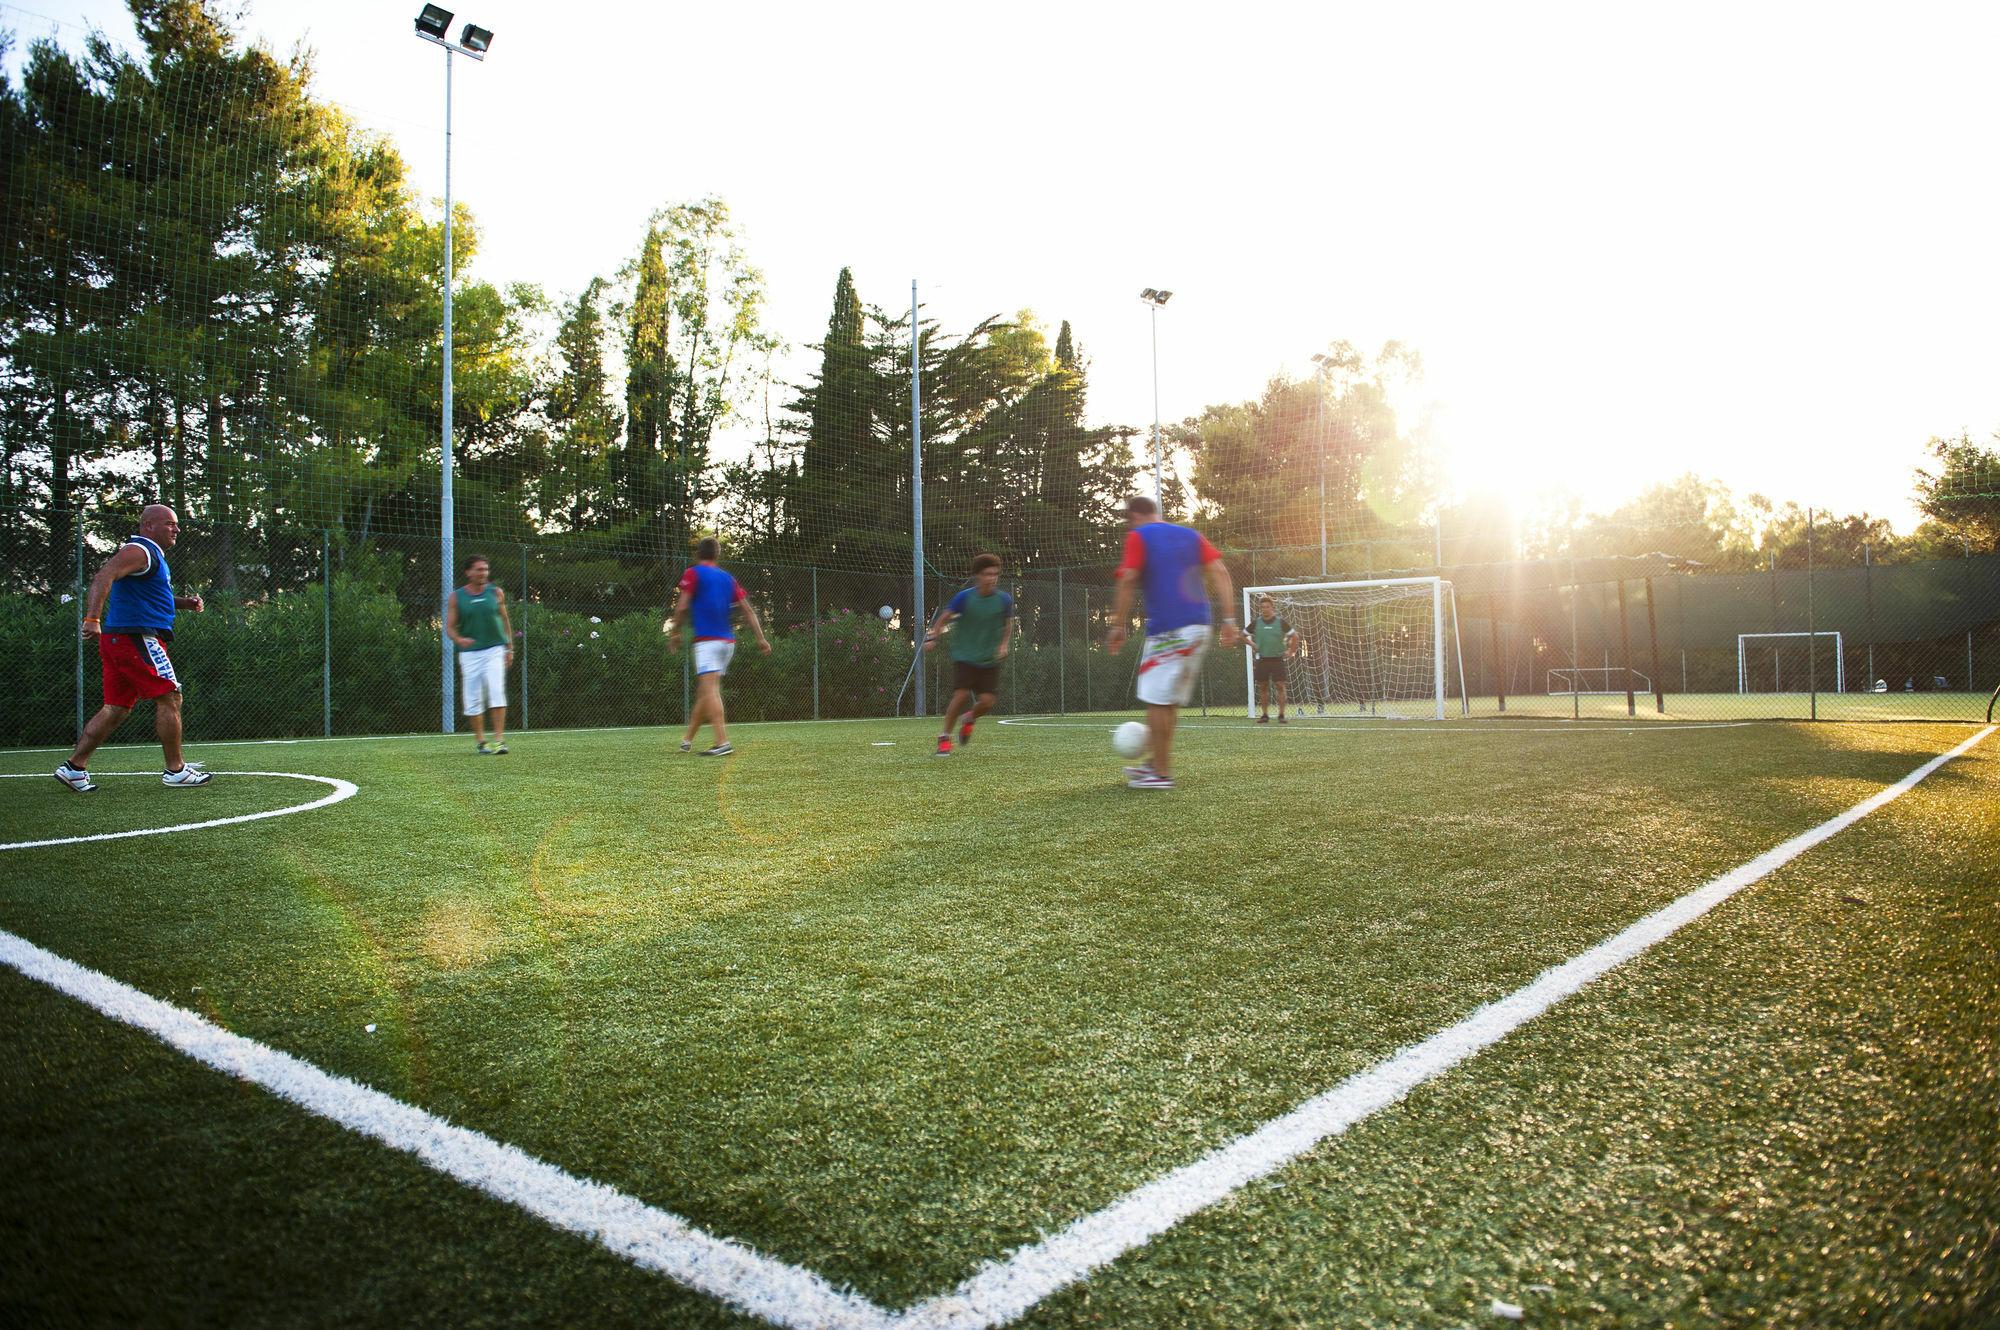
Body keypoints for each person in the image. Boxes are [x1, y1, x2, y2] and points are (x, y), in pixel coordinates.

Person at [54, 504, 211, 792]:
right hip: (135, 637)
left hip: (119, 640)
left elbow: (150, 594)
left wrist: (184, 603)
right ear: (148, 526)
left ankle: (74, 768)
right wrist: (91, 619)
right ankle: (176, 770)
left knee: (116, 708)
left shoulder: (150, 557)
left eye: (176, 524)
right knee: (170, 697)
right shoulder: (140, 551)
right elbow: (104, 576)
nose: (176, 529)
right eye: (169, 524)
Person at [1105, 495, 1240, 789]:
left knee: (1155, 699)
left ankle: (1162, 774)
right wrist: (1228, 620)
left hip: (1169, 630)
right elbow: (1220, 571)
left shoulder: (1139, 535)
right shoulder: (1191, 535)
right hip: (1199, 627)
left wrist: (1118, 623)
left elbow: (1128, 578)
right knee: (1169, 703)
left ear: (1134, 517)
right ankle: (1156, 765)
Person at [664, 536, 770, 755]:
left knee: (710, 690)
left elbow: (682, 605)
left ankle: (722, 742)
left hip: (708, 642)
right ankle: (687, 739)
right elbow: (748, 611)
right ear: (717, 555)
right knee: (706, 692)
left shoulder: (693, 573)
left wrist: (675, 632)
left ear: (697, 554)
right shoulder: (728, 578)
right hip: (727, 643)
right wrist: (761, 638)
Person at [924, 553, 1016, 756]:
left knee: (987, 702)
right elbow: (944, 618)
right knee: (962, 695)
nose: (991, 578)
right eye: (986, 574)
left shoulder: (1003, 600)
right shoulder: (964, 598)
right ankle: (944, 738)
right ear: (977, 576)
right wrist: (933, 637)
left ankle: (969, 718)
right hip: (964, 655)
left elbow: (1008, 624)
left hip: (989, 658)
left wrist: (1003, 645)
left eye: (995, 574)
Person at [446, 554, 515, 754]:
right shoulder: (456, 597)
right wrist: (459, 640)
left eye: (485, 569)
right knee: (473, 697)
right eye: (478, 569)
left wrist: (509, 648)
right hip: (469, 653)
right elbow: (450, 627)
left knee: (496, 690)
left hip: (495, 649)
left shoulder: (496, 593)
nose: (483, 573)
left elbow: (504, 621)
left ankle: (499, 740)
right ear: (468, 572)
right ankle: (481, 742)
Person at [1247, 593, 1299, 723]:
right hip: (1262, 659)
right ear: (1261, 609)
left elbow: (1295, 636)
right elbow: (1242, 635)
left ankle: (1281, 715)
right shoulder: (1256, 623)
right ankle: (1265, 715)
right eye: (1262, 607)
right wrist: (1252, 644)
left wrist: (1291, 651)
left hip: (1277, 659)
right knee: (1263, 686)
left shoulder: (1280, 622)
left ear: (1272, 608)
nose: (1265, 609)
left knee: (1280, 685)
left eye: (1267, 607)